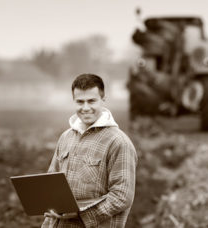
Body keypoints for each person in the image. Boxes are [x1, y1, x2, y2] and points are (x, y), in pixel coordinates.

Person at [42, 74, 138, 228]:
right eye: (80, 102)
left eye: (91, 101)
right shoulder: (66, 137)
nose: (85, 108)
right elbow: (51, 183)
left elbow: (122, 196)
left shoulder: (118, 142)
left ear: (103, 100)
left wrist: (81, 215)